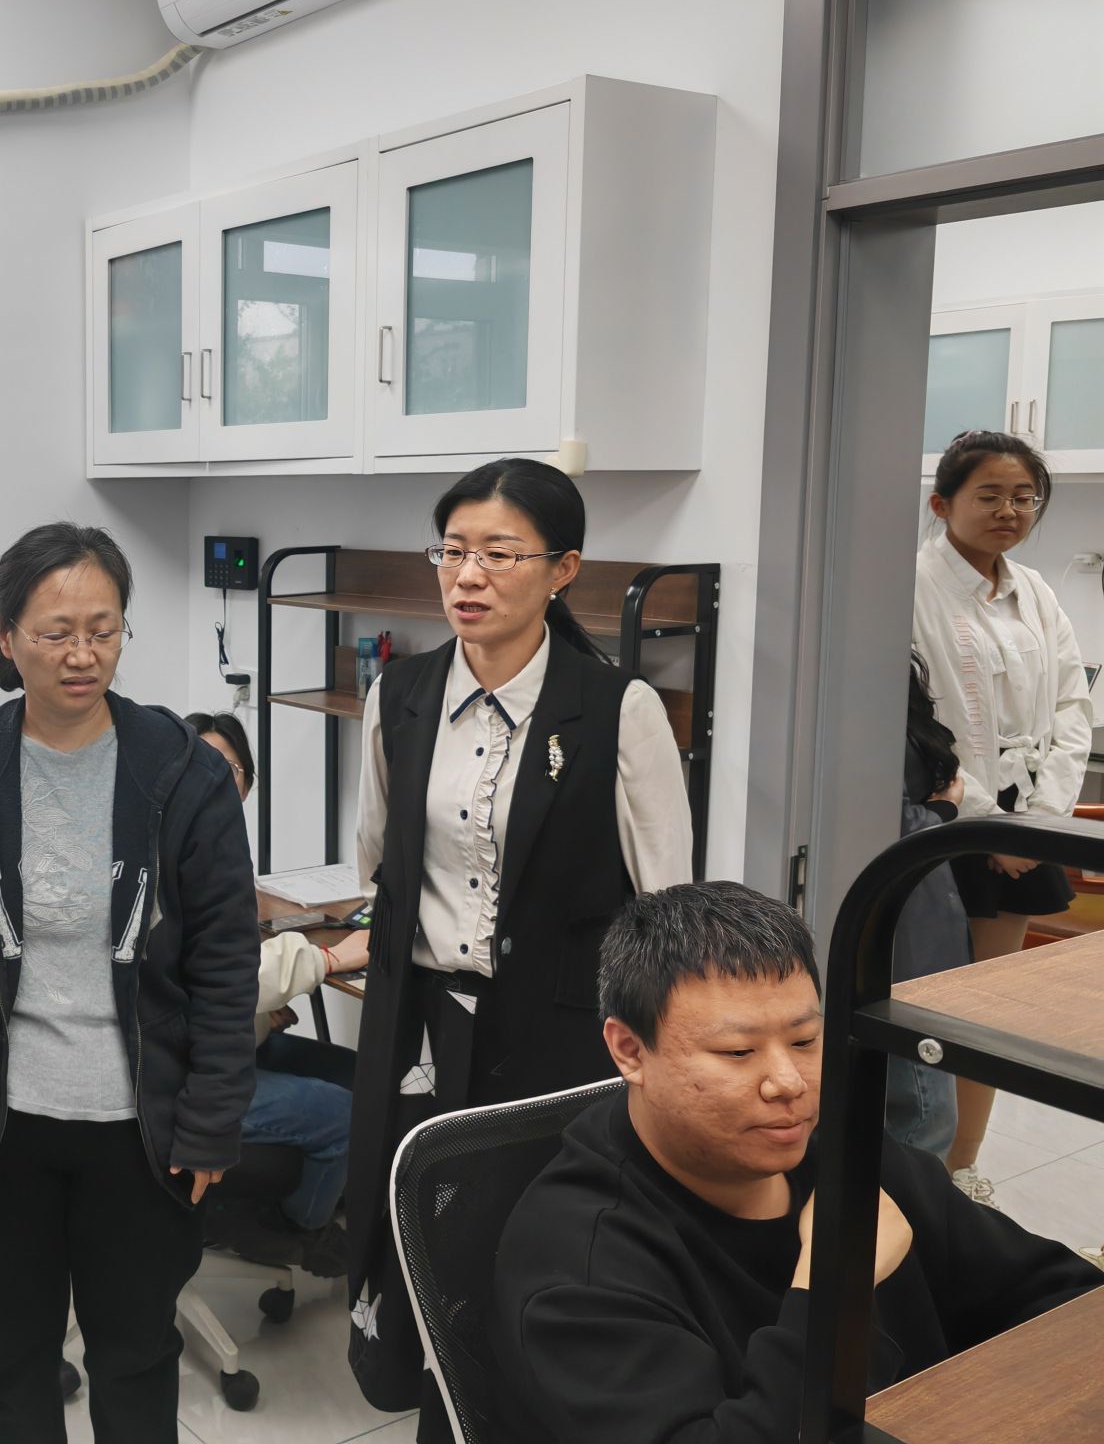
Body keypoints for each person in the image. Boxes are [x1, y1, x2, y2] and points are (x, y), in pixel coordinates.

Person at [0, 522, 260, 1444]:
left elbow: (226, 959)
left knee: (136, 1361)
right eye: (55, 633)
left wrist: (212, 1118)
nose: (82, 655)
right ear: (7, 638)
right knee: (9, 1368)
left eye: (104, 629)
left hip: (143, 1134)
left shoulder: (183, 774)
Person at [492, 881, 1103, 1444]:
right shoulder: (578, 1268)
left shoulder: (842, 1150)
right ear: (630, 1051)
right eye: (738, 1052)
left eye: (806, 1041)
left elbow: (1057, 1294)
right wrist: (833, 1283)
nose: (789, 1083)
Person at [345, 457, 693, 1425]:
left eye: (499, 554)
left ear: (561, 569)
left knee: (530, 1258)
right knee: (420, 1253)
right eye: (452, 551)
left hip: (554, 1035)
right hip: (419, 1027)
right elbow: (377, 860)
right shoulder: (399, 693)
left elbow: (662, 907)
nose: (467, 575)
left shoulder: (615, 708)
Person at [913, 430, 1096, 1202]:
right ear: (942, 503)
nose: (1009, 511)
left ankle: (961, 1169)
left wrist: (1042, 820)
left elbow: (1073, 705)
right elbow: (920, 725)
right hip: (946, 818)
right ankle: (914, 1166)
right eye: (989, 495)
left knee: (989, 1014)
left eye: (1024, 497)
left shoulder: (1036, 591)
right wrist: (989, 821)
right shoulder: (912, 585)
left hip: (1025, 823)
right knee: (925, 1005)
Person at [187, 709, 366, 1275]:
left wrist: (262, 1013)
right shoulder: (172, 854)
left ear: (246, 784)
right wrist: (328, 958)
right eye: (199, 765)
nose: (214, 781)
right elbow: (216, 978)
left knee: (366, 1076)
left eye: (229, 769)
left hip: (231, 1043)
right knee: (344, 1114)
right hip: (188, 1074)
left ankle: (326, 1199)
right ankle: (296, 1233)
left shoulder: (222, 851)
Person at [886, 656, 972, 1155]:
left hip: (922, 902)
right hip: (903, 918)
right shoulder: (870, 717)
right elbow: (886, 821)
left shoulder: (895, 701)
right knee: (925, 1115)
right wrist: (944, 810)